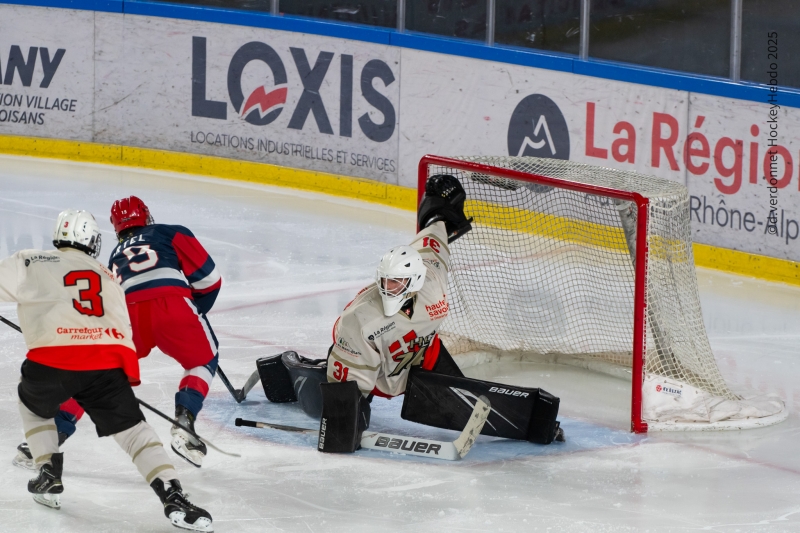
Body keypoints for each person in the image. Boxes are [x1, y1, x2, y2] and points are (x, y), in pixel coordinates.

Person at [258, 174, 564, 452]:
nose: (388, 287)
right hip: (372, 370)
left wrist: (438, 204)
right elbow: (348, 391)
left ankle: (538, 423)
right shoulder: (360, 321)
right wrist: (343, 428)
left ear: (415, 281)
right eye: (385, 280)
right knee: (324, 404)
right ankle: (290, 370)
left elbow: (433, 238)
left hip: (421, 357)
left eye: (397, 281)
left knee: (464, 410)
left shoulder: (432, 284)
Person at [0, 209, 212, 531]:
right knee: (135, 432)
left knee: (33, 406)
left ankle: (47, 470)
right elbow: (122, 328)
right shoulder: (109, 274)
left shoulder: (31, 259)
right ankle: (172, 493)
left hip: (50, 363)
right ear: (92, 241)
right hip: (104, 365)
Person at [13, 196, 223, 469]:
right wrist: (194, 310)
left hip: (128, 314)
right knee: (204, 358)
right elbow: (210, 280)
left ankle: (47, 439)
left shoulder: (115, 255)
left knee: (98, 377)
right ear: (146, 216)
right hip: (172, 305)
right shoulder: (170, 232)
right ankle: (184, 420)